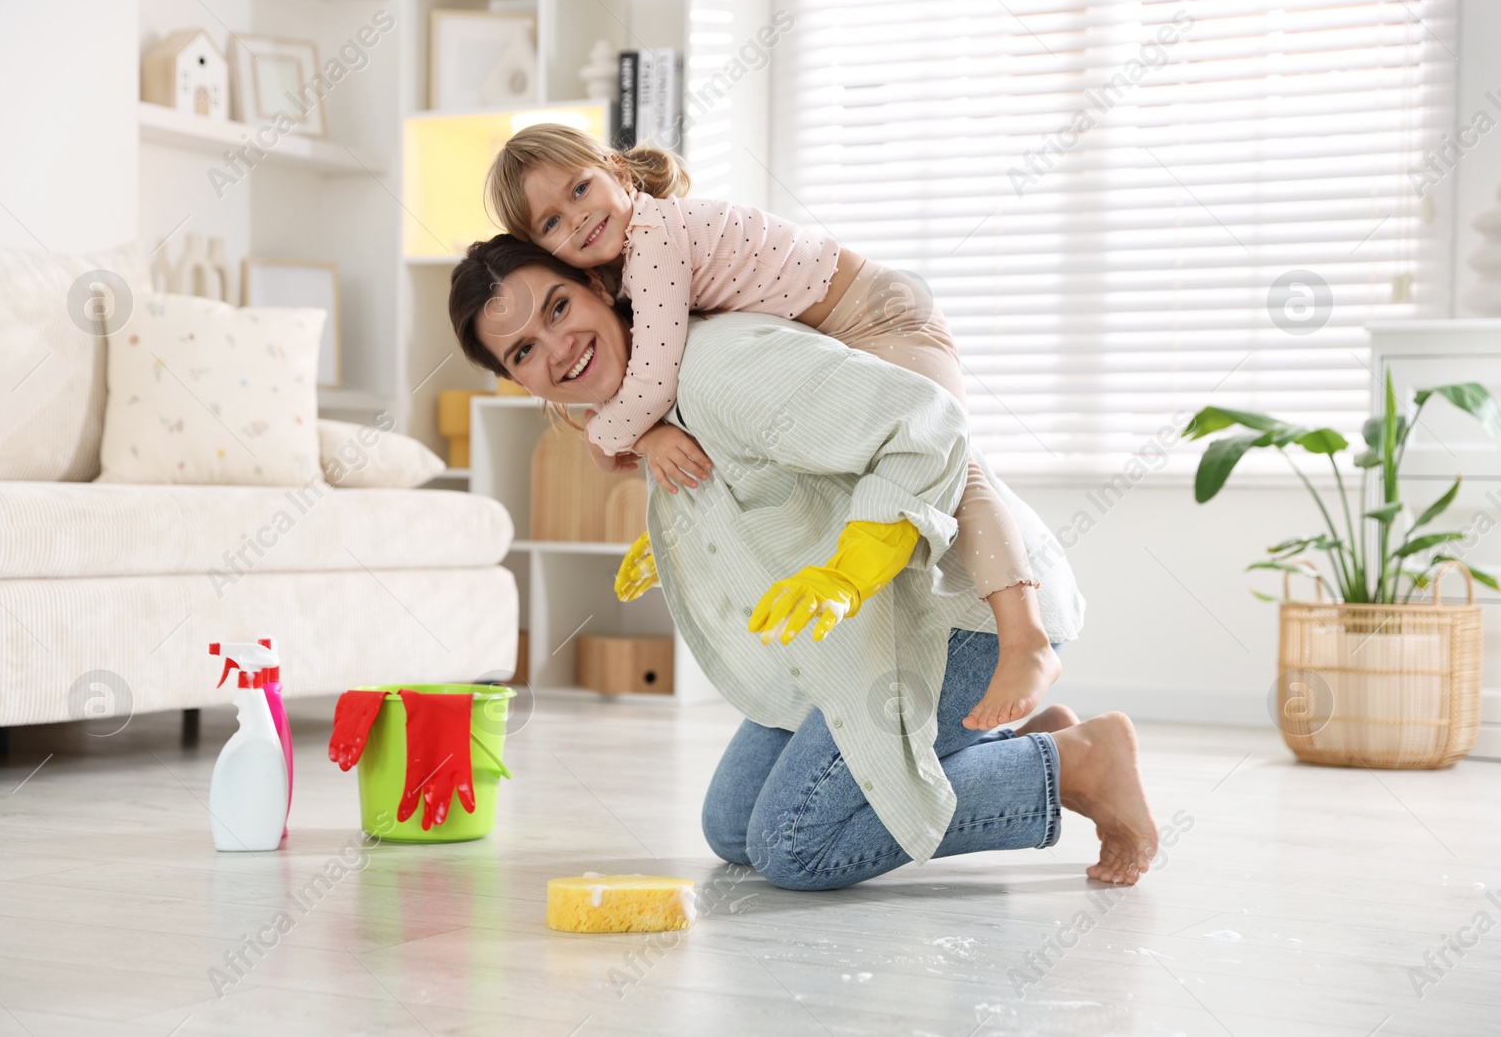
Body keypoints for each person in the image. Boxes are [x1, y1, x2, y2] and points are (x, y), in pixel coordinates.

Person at [448, 235, 1159, 888]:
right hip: (856, 639)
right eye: (522, 351)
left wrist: (853, 566)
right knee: (732, 830)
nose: (557, 344)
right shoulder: (648, 402)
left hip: (951, 619)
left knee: (793, 844)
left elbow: (929, 426)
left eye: (559, 305)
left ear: (603, 286)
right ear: (519, 381)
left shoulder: (722, 367)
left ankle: (1076, 763)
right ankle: (1014, 742)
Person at [482, 124, 1055, 733]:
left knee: (948, 460)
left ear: (618, 174)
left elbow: (652, 381)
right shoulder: (625, 268)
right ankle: (1043, 739)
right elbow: (661, 388)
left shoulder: (653, 241)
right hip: (842, 324)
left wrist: (605, 436)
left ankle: (1025, 638)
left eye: (579, 189)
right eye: (549, 224)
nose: (576, 219)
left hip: (884, 315)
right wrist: (645, 435)